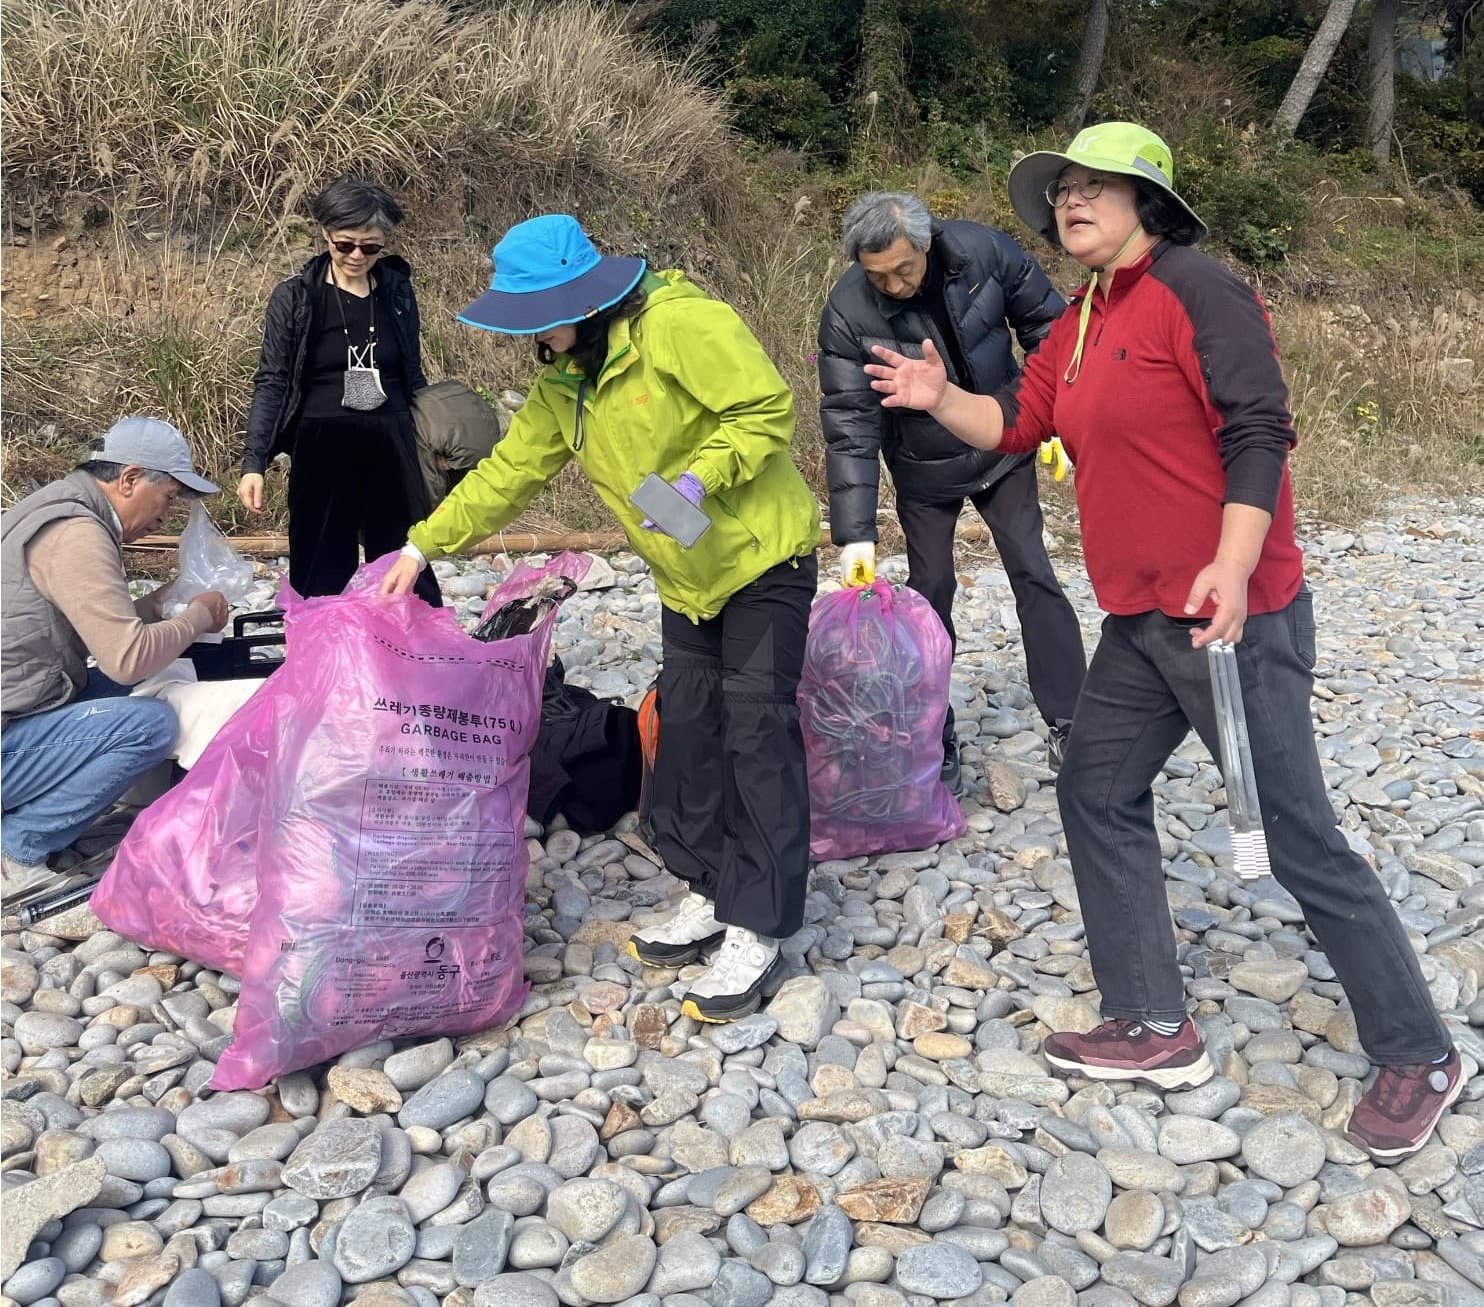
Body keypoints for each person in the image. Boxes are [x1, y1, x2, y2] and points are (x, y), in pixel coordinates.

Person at [867, 121, 1466, 1162]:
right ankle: (1151, 1022)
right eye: (1060, 191)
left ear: (1147, 200)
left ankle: (1420, 1050)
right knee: (1093, 787)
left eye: (1096, 186)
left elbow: (1257, 430)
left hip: (1233, 619)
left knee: (1294, 835)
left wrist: (1232, 563)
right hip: (1139, 623)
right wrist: (936, 398)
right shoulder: (1084, 316)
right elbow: (1017, 423)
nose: (1071, 202)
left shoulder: (1199, 291)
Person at [381, 214, 820, 1022]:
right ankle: (711, 887)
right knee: (686, 734)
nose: (535, 336)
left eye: (541, 315)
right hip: (687, 579)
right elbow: (509, 474)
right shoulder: (565, 381)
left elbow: (765, 409)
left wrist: (695, 480)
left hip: (762, 561)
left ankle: (759, 924)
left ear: (584, 298)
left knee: (757, 734)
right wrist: (421, 546)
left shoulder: (681, 324)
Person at [819, 190, 1085, 780]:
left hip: (1004, 439)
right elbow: (849, 423)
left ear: (926, 241)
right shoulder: (847, 309)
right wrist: (855, 536)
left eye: (903, 270)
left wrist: (1053, 418)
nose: (891, 285)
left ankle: (1075, 724)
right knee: (930, 590)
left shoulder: (986, 252)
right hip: (923, 466)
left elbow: (1051, 329)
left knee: (1033, 570)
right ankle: (930, 737)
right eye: (877, 276)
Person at [1, 418, 230, 889]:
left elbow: (100, 628)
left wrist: (159, 606)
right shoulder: (76, 533)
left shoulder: (51, 510)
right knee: (153, 725)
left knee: (134, 683)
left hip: (22, 705)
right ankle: (17, 847)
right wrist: (198, 619)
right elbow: (127, 658)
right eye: (167, 497)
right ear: (128, 479)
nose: (166, 515)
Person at [239, 176, 439, 601]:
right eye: (344, 244)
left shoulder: (397, 291)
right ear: (326, 234)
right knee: (320, 565)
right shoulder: (295, 297)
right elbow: (272, 379)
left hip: (391, 441)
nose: (356, 256)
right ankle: (320, 657)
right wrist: (254, 461)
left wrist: (431, 440)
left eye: (370, 247)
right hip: (321, 445)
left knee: (405, 560)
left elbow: (412, 372)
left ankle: (412, 654)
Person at [412, 378, 502, 509]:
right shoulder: (413, 403)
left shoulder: (417, 436)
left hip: (470, 455)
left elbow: (431, 491)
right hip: (482, 423)